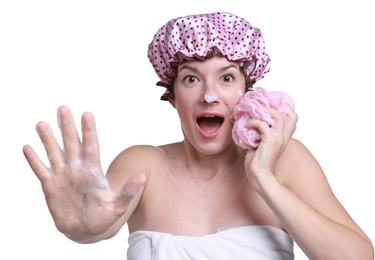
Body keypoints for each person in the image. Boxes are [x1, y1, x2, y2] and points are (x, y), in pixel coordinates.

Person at [23, 11, 374, 259]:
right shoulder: (144, 164)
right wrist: (81, 226)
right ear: (173, 97)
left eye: (226, 78)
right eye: (191, 79)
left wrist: (264, 178)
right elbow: (97, 223)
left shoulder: (286, 160)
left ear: (247, 93)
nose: (209, 95)